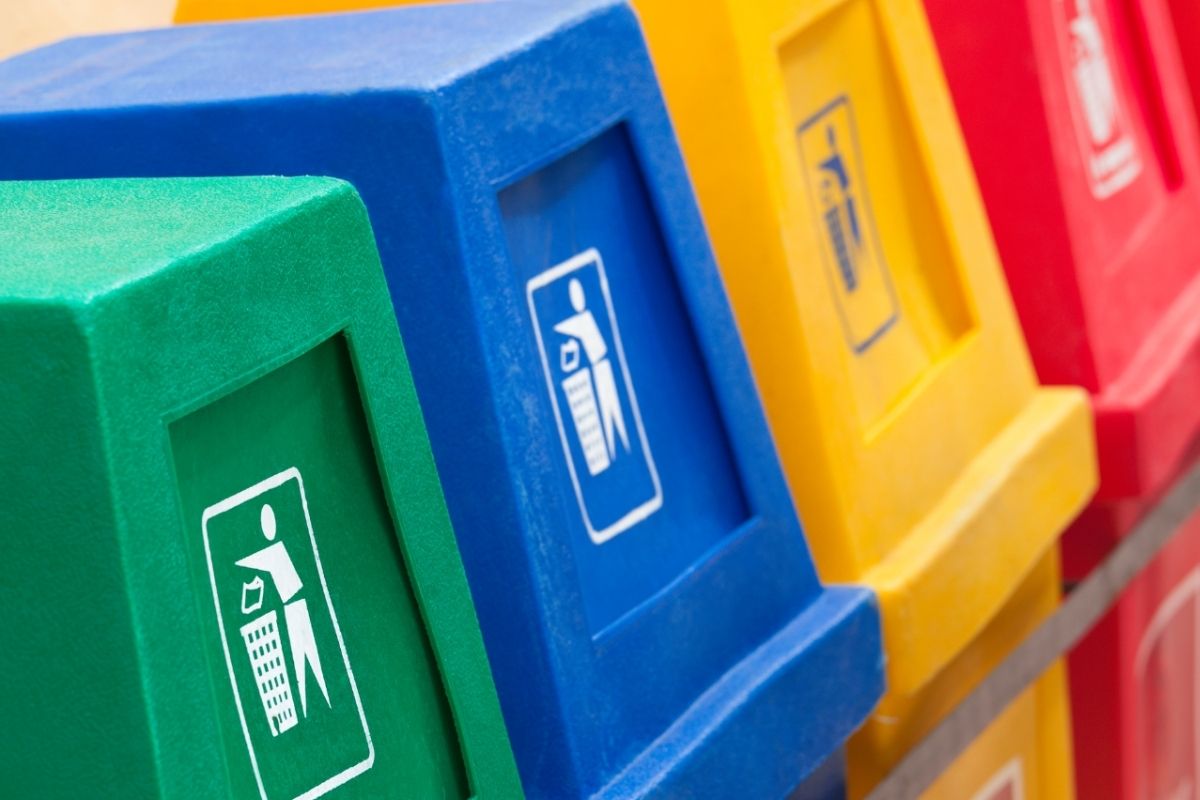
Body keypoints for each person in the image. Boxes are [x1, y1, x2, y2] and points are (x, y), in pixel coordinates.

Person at [238, 503, 331, 718]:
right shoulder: (274, 552)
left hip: (297, 610)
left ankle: (318, 704)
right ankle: (312, 706)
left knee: (309, 665)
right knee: (301, 668)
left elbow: (261, 562)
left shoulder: (276, 552)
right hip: (294, 610)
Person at [555, 278, 630, 468]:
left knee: (613, 413)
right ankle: (617, 451)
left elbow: (566, 327)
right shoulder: (583, 320)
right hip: (599, 369)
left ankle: (621, 451)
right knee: (608, 417)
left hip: (602, 370)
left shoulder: (584, 320)